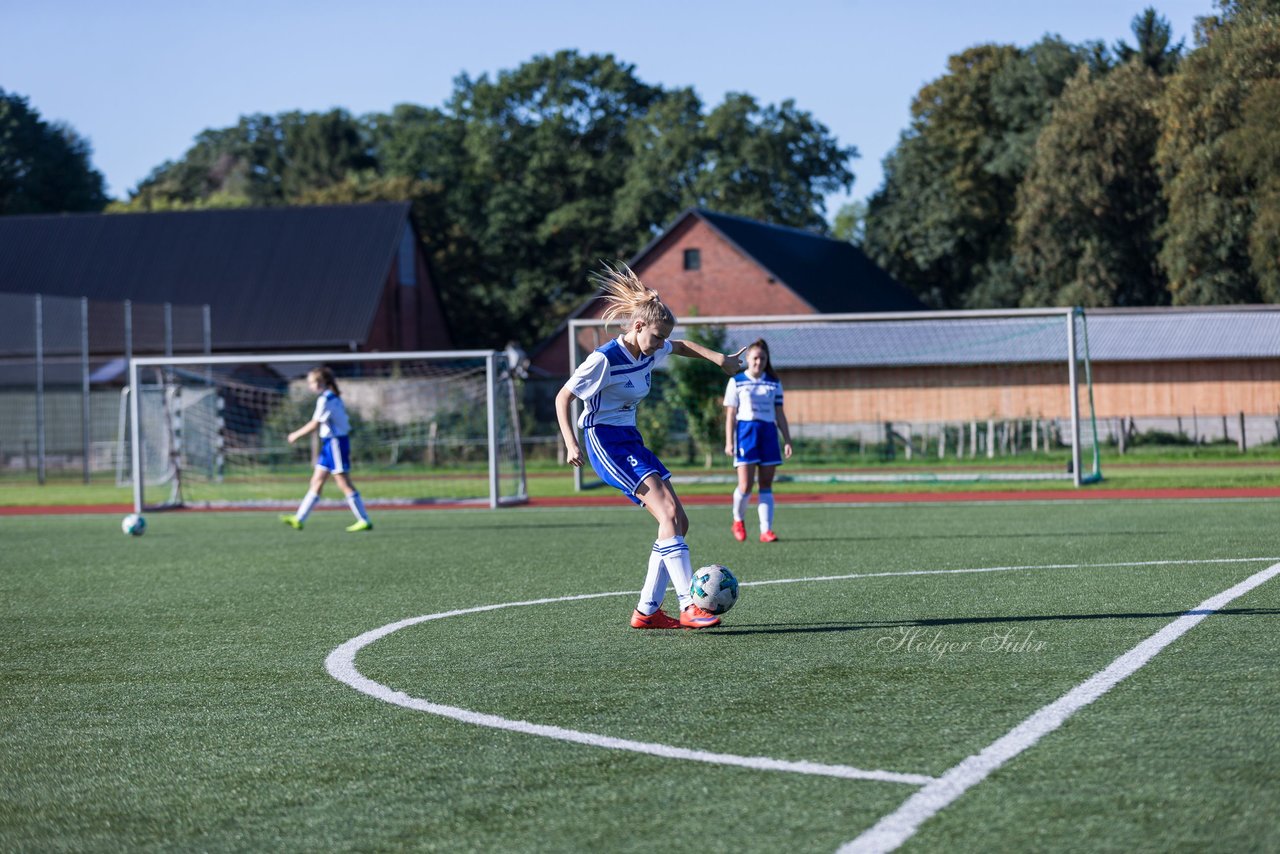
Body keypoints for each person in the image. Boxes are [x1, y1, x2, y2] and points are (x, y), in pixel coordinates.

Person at [556, 262, 746, 630]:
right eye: (657, 337)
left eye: (663, 340)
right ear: (638, 326)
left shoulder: (651, 348)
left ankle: (647, 611)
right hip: (604, 441)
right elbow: (563, 397)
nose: (661, 346)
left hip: (631, 440)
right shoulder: (603, 359)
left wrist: (718, 359)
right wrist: (570, 443)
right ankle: (689, 605)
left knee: (678, 522)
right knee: (667, 512)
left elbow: (681, 345)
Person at [279, 367, 373, 532]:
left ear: (321, 382)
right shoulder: (331, 397)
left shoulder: (326, 399)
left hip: (335, 444)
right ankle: (299, 518)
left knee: (344, 483)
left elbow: (315, 423)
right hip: (329, 445)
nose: (309, 386)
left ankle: (364, 519)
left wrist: (295, 435)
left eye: (311, 383)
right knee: (316, 481)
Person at [724, 339, 792, 543]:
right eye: (755, 358)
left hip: (768, 433)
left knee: (766, 484)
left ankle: (766, 530)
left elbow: (780, 413)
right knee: (745, 485)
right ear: (747, 359)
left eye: (762, 358)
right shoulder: (736, 381)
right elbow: (731, 414)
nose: (758, 362)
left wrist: (787, 439)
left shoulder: (774, 382)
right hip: (746, 432)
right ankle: (738, 520)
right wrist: (729, 441)